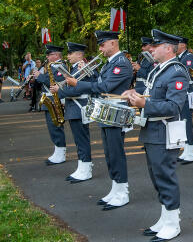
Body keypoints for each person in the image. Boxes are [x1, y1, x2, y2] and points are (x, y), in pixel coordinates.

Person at [123, 29, 188, 241]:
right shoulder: (159, 69)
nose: (151, 49)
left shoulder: (175, 71)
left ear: (168, 48)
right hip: (153, 131)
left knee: (165, 177)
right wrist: (134, 96)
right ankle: (165, 217)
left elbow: (174, 106)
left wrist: (144, 103)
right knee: (156, 177)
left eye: (156, 46)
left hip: (165, 131)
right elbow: (152, 96)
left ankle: (173, 222)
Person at [65, 31, 133, 210]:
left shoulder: (121, 63)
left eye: (103, 45)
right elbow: (98, 81)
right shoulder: (109, 64)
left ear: (113, 43)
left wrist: (77, 84)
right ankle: (115, 188)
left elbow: (106, 86)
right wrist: (86, 73)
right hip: (106, 110)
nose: (100, 48)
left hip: (116, 110)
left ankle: (123, 191)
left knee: (116, 152)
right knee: (109, 153)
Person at [51, 42, 97, 183]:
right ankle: (82, 166)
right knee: (78, 140)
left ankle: (86, 168)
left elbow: (82, 88)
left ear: (79, 54)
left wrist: (60, 90)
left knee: (81, 139)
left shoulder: (84, 67)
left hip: (79, 107)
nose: (68, 56)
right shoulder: (75, 67)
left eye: (70, 53)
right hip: (74, 107)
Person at [33, 44, 68, 165]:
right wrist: (35, 79)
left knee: (56, 127)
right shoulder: (50, 66)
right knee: (52, 126)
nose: (47, 56)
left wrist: (40, 76)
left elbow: (55, 84)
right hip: (49, 98)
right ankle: (57, 150)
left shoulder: (60, 66)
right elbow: (43, 84)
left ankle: (61, 153)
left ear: (57, 55)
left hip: (55, 99)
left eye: (49, 54)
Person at [176, 37, 193, 164]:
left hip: (187, 92)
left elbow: (188, 73)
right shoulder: (180, 57)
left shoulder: (188, 57)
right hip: (182, 93)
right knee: (183, 123)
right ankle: (187, 150)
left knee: (187, 122)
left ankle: (192, 151)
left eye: (177, 44)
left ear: (183, 45)